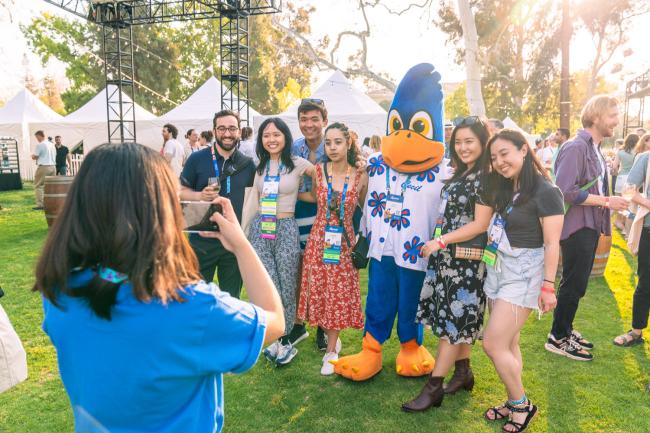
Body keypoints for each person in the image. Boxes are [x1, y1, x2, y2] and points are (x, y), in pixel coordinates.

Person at [34, 142, 284, 433]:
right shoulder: (191, 306)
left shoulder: (60, 290)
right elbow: (274, 321)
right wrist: (241, 245)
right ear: (161, 210)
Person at [402, 116, 492, 412]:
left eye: (470, 141)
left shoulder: (486, 177)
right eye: (459, 142)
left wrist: (441, 241)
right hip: (448, 259)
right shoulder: (462, 172)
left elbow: (480, 224)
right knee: (455, 319)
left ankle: (434, 387)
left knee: (453, 322)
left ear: (483, 142)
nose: (464, 147)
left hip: (466, 262)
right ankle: (463, 372)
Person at [481, 129, 563, 433]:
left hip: (526, 272)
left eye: (505, 154)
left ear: (524, 150)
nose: (500, 162)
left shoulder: (546, 191)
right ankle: (512, 398)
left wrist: (548, 285)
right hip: (498, 267)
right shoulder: (505, 189)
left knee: (492, 343)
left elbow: (553, 244)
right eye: (494, 157)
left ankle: (522, 405)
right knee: (509, 342)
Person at [547, 95, 629, 361]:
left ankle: (565, 329)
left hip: (590, 224)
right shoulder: (576, 147)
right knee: (573, 283)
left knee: (577, 283)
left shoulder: (595, 147)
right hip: (577, 226)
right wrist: (607, 201)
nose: (616, 121)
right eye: (612, 115)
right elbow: (564, 190)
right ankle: (558, 337)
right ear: (596, 116)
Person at [297, 122, 368, 375]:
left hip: (344, 243)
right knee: (322, 290)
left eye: (338, 142)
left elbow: (367, 210)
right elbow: (316, 198)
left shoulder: (361, 175)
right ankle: (330, 335)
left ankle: (330, 351)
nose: (332, 147)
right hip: (319, 240)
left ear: (348, 143)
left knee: (337, 293)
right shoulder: (318, 170)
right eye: (328, 142)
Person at [246, 117, 315, 366]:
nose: (271, 139)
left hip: (286, 228)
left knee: (287, 283)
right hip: (261, 228)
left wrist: (309, 195)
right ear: (261, 140)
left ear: (285, 137)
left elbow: (323, 176)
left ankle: (285, 339)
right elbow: (254, 197)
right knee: (269, 283)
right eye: (266, 135)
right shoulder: (260, 166)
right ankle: (276, 336)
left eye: (276, 135)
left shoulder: (298, 164)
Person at [180, 110, 256, 299]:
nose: (227, 134)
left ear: (239, 132)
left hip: (233, 241)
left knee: (231, 300)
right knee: (196, 298)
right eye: (222, 128)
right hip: (201, 239)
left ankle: (226, 330)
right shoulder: (197, 159)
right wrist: (199, 196)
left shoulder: (248, 165)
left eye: (232, 128)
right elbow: (180, 191)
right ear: (214, 131)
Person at [288, 98, 330, 351]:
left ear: (324, 120)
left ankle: (324, 328)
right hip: (300, 213)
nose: (309, 124)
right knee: (299, 268)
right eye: (304, 119)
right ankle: (297, 324)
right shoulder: (293, 147)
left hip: (329, 216)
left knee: (325, 270)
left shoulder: (336, 143)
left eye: (315, 119)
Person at [613, 150, 650, 347]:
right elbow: (628, 190)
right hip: (649, 229)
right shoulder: (646, 158)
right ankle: (636, 332)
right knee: (646, 283)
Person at [612, 134, 639, 234]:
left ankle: (619, 222)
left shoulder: (620, 152)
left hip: (620, 178)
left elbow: (614, 166)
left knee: (620, 202)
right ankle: (623, 224)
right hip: (631, 180)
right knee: (628, 204)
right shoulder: (637, 153)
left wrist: (615, 171)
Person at [31, 130, 56, 210]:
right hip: (53, 166)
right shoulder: (52, 144)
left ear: (39, 136)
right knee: (50, 186)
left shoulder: (40, 145)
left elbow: (35, 156)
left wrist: (32, 156)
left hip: (44, 167)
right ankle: (51, 203)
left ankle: (40, 205)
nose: (37, 139)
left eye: (36, 137)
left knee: (38, 185)